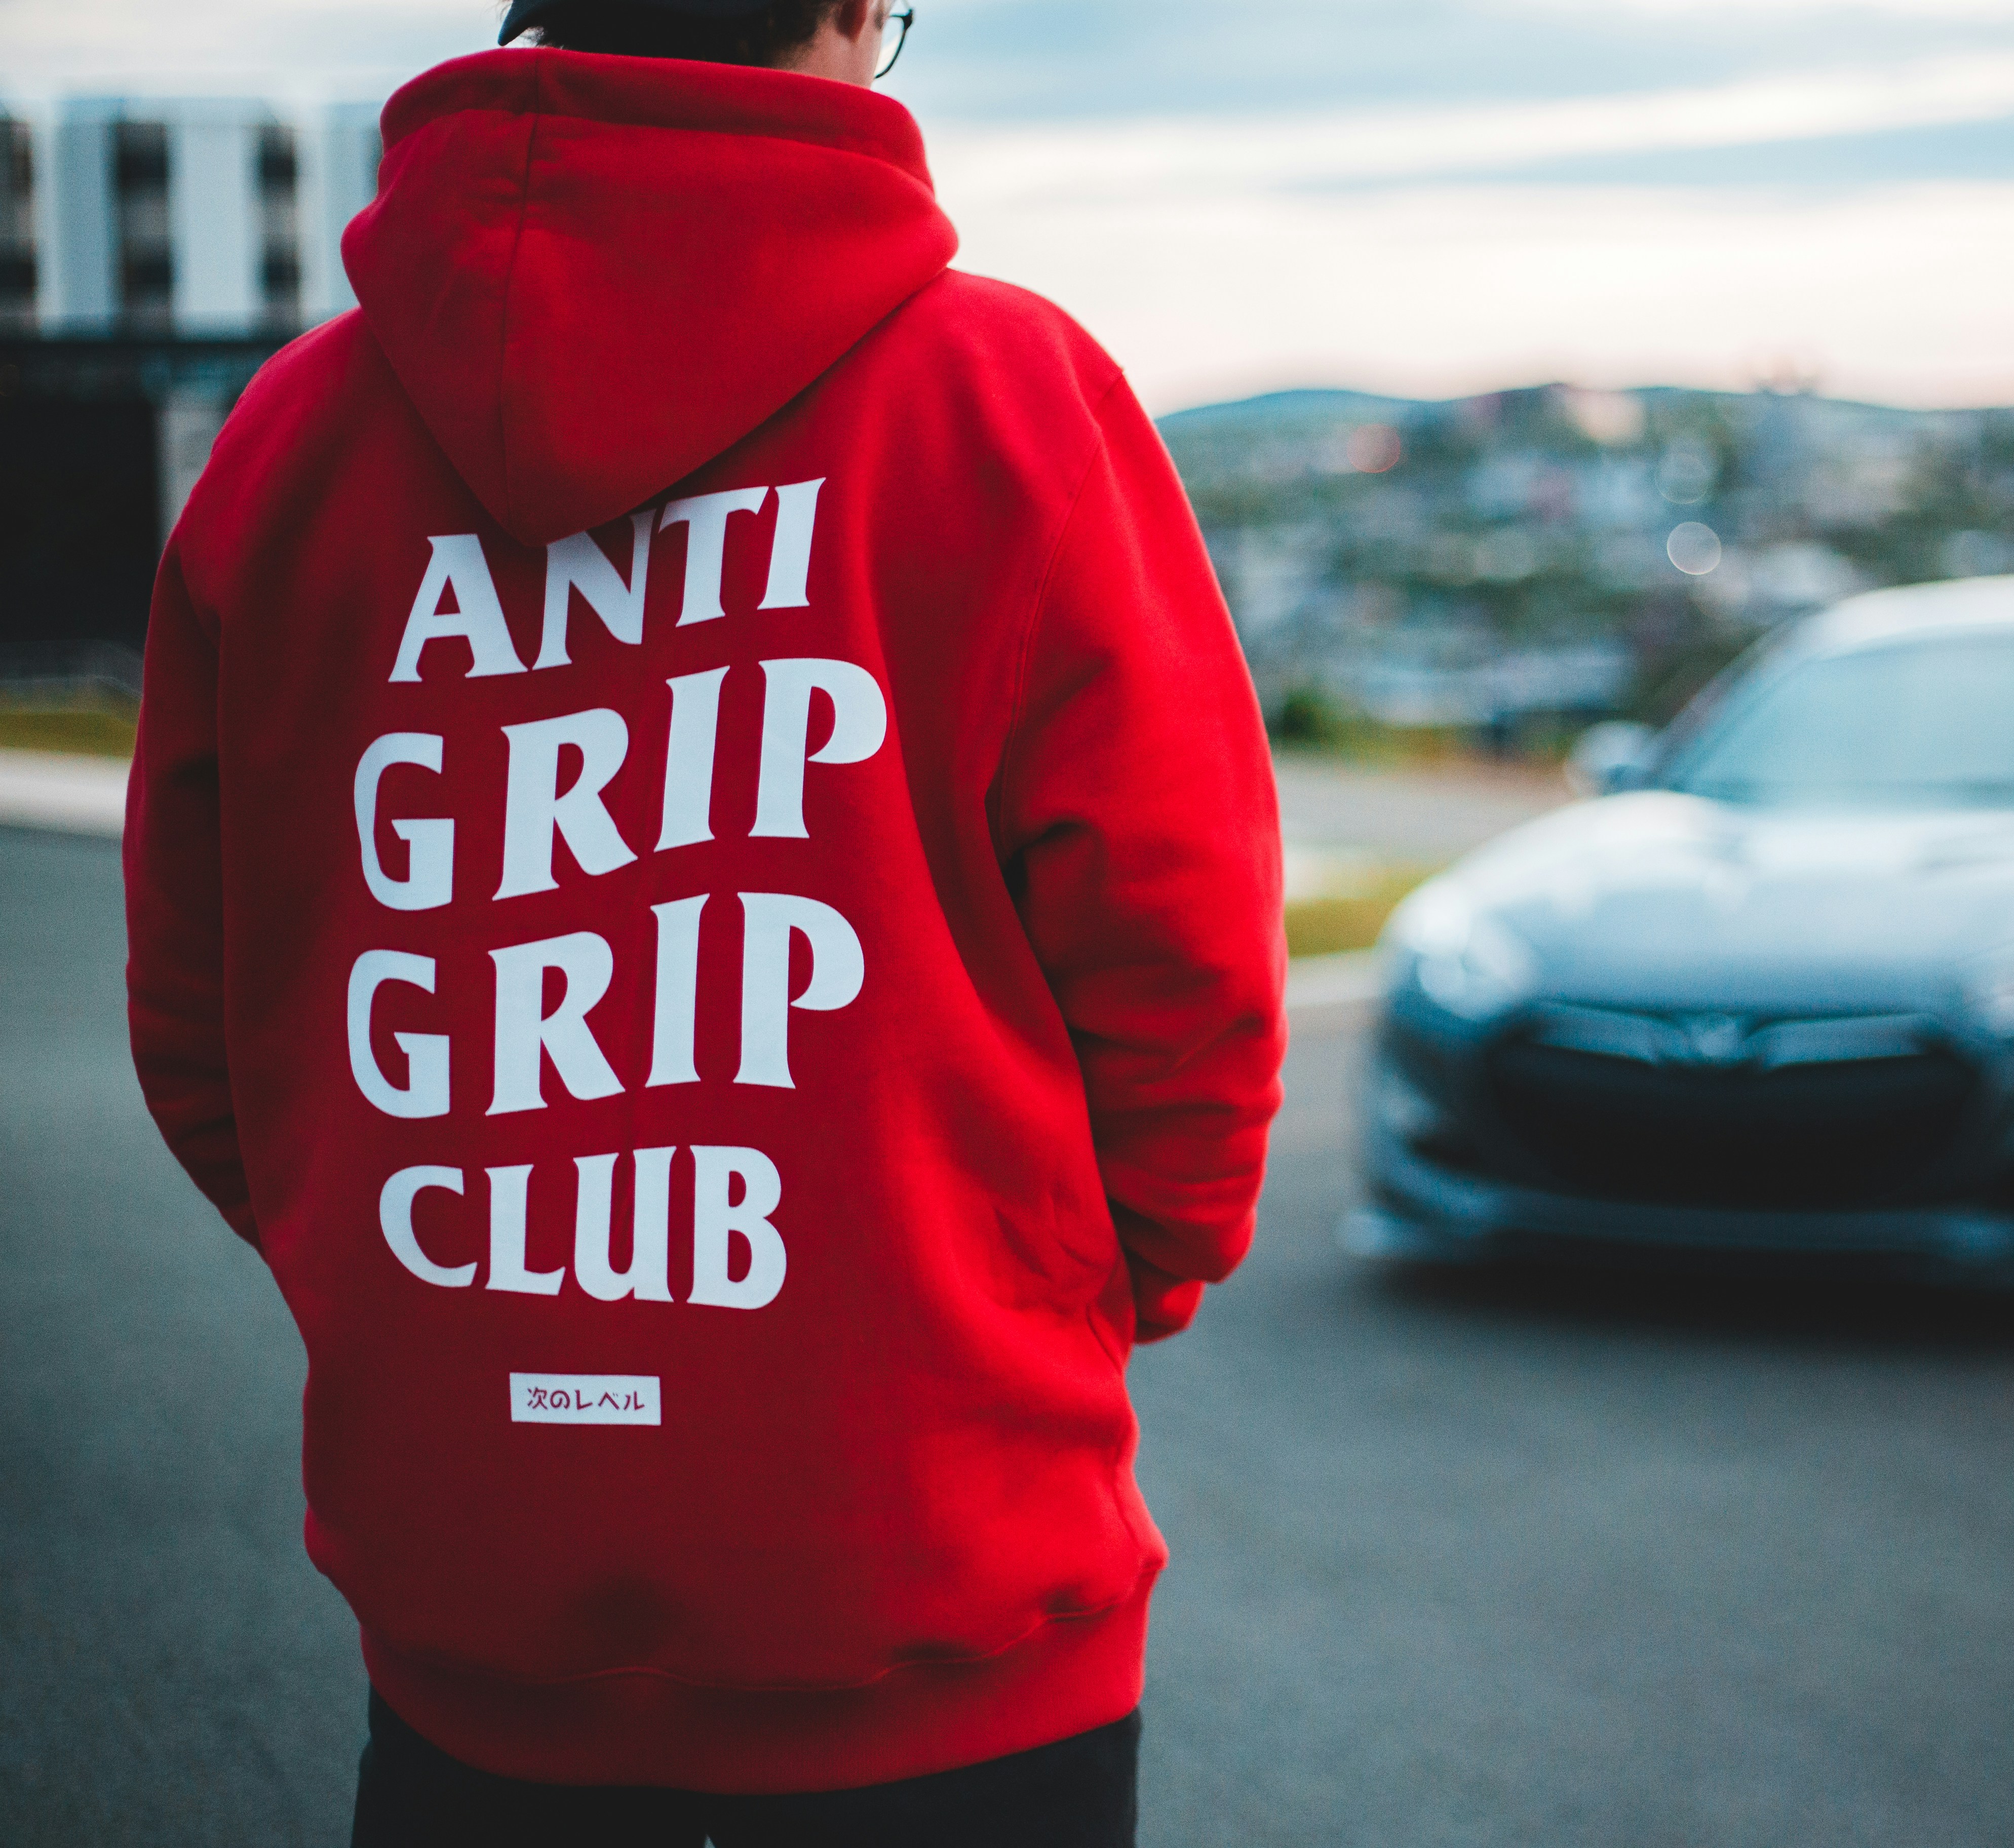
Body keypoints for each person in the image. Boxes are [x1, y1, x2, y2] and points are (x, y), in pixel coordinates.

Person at [121, 2, 1287, 1840]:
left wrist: (428, 1291)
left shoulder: (292, 442)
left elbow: (205, 1017)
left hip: (474, 1595)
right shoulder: (1009, 394)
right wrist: (1066, 1294)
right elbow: (1186, 973)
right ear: (840, 7)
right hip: (944, 1601)